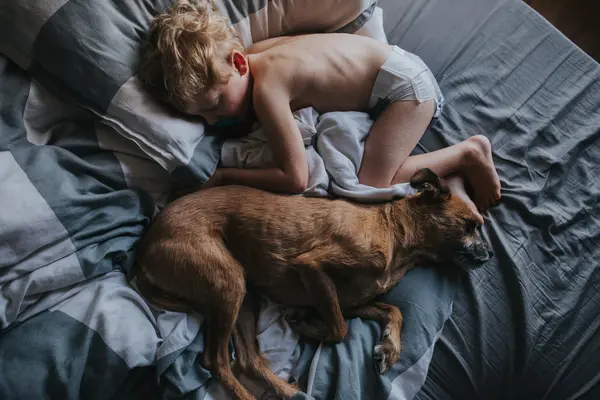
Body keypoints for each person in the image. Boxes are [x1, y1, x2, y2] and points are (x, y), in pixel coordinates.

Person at [139, 0, 501, 222]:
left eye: (215, 105)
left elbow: (295, 178)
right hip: (398, 69)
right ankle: (451, 177)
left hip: (407, 93)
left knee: (371, 183)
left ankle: (468, 153)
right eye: (200, 117)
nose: (213, 121)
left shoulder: (267, 91)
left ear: (238, 64)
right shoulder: (260, 52)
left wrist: (223, 178)